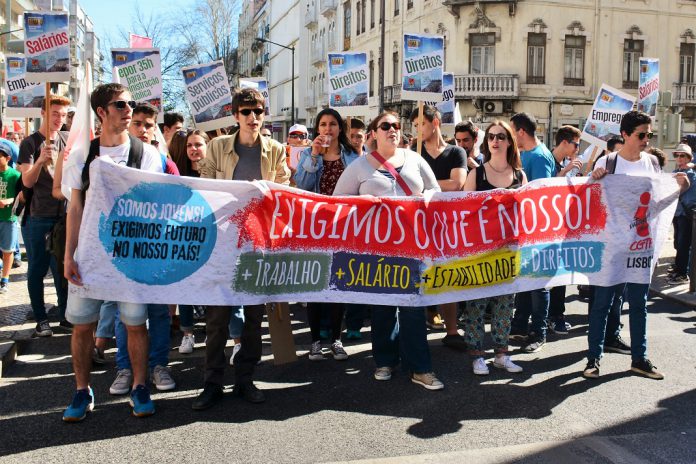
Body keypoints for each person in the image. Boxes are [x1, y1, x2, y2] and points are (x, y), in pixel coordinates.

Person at [61, 83, 164, 421]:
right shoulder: (81, 156)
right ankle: (81, 390)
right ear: (102, 112)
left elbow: (152, 204)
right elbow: (74, 209)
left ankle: (138, 386)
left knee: (135, 323)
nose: (129, 109)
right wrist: (68, 255)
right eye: (120, 104)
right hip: (89, 257)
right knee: (82, 326)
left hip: (130, 256)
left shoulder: (146, 154)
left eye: (131, 103)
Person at [194, 87, 291, 410]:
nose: (253, 118)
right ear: (235, 115)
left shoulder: (275, 149)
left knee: (252, 320)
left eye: (258, 112)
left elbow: (285, 190)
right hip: (222, 245)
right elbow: (204, 186)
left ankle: (245, 379)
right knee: (218, 319)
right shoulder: (218, 147)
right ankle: (211, 383)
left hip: (258, 245)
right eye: (246, 112)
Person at [333, 111, 444, 391]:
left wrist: (425, 199)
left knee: (412, 308)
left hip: (413, 247)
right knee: (383, 308)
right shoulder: (360, 166)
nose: (393, 129)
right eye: (386, 126)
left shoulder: (415, 160)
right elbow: (337, 201)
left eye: (396, 126)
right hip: (377, 248)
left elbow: (436, 193)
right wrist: (363, 202)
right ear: (374, 133)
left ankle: (420, 368)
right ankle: (384, 361)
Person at [584, 110, 690, 380]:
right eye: (641, 135)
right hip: (610, 246)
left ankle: (639, 359)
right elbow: (587, 201)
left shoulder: (653, 163)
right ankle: (593, 360)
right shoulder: (608, 162)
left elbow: (656, 203)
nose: (646, 140)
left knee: (639, 304)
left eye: (649, 135)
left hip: (641, 244)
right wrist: (592, 180)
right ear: (625, 135)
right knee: (602, 304)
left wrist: (680, 189)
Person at [461, 120, 526, 375]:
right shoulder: (477, 174)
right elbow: (463, 212)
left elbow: (525, 213)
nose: (495, 141)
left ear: (509, 141)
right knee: (476, 306)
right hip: (480, 250)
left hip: (509, 251)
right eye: (491, 137)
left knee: (504, 306)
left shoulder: (520, 175)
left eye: (500, 136)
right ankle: (477, 355)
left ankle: (501, 353)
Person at [295, 108, 359, 360]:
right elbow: (302, 186)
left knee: (337, 284)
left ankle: (336, 339)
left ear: (340, 128)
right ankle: (315, 342)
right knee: (315, 284)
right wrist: (313, 156)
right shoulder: (307, 155)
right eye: (323, 124)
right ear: (317, 129)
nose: (327, 129)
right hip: (315, 227)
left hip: (342, 227)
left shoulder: (352, 156)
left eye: (332, 124)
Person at [410, 105, 468, 350]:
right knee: (417, 273)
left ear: (434, 123)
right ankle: (416, 325)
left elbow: (457, 184)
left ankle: (451, 329)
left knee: (447, 274)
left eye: (420, 124)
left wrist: (425, 186)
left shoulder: (456, 152)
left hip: (447, 223)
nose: (416, 130)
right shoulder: (412, 152)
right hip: (417, 222)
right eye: (413, 126)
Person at [17, 94, 71, 336]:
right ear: (43, 113)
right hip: (38, 216)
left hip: (64, 214)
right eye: (55, 114)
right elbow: (27, 181)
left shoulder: (67, 139)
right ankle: (41, 319)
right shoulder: (29, 143)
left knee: (62, 269)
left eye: (63, 114)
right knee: (37, 269)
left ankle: (65, 315)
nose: (59, 119)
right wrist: (40, 161)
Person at [509, 112, 555, 353]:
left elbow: (541, 194)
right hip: (524, 229)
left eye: (511, 130)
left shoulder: (539, 157)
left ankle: (539, 332)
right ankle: (519, 325)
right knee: (525, 280)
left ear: (521, 132)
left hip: (538, 229)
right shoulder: (526, 154)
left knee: (539, 284)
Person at [548, 125, 583, 336]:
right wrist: (566, 171)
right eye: (576, 144)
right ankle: (553, 317)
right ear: (565, 142)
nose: (577, 149)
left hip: (562, 227)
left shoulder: (561, 162)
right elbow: (547, 188)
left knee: (561, 274)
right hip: (548, 228)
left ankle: (556, 315)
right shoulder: (548, 160)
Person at [667, 143, 696, 285]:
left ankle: (682, 274)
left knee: (684, 244)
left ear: (689, 157)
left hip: (685, 214)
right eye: (676, 155)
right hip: (677, 213)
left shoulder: (690, 174)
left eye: (682, 155)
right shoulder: (676, 171)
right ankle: (679, 269)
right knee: (678, 243)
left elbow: (688, 196)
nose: (679, 157)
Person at [0, 145, 21, 293]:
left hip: (9, 218)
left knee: (8, 251)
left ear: (7, 158)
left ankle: (5, 279)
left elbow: (22, 196)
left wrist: (8, 201)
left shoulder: (15, 175)